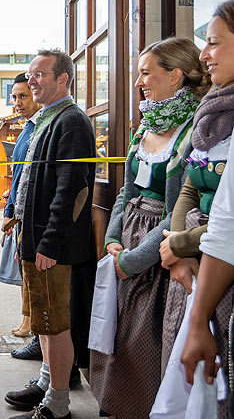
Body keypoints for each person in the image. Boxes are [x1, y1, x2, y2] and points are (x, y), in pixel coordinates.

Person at [87, 37, 207, 419]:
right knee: (118, 339)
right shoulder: (146, 126)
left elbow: (177, 210)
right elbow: (126, 190)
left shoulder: (193, 131)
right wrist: (111, 237)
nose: (139, 80)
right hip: (127, 242)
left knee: (149, 340)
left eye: (145, 72)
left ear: (174, 76)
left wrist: (135, 260)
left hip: (162, 249)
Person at [3, 49, 96, 419]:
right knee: (43, 318)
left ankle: (57, 404)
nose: (33, 81)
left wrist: (50, 242)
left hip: (52, 245)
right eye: (31, 74)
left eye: (41, 74)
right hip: (35, 238)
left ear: (63, 80)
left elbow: (72, 188)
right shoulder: (47, 119)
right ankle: (46, 382)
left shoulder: (71, 121)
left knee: (56, 324)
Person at [180, 0, 234, 416]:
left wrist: (179, 241)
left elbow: (228, 226)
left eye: (214, 43)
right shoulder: (211, 114)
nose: (204, 54)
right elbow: (188, 188)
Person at [2, 72, 42, 340]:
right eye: (15, 97)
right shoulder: (27, 128)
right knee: (24, 271)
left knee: (32, 275)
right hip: (19, 211)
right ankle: (28, 321)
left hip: (32, 214)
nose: (17, 102)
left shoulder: (40, 128)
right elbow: (19, 175)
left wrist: (12, 212)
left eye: (23, 96)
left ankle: (33, 326)